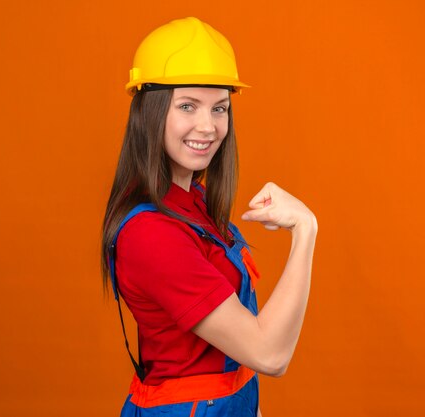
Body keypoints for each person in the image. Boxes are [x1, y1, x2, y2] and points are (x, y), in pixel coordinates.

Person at [101, 17, 318, 417]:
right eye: (187, 106)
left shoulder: (191, 203)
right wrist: (305, 229)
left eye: (220, 108)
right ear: (149, 113)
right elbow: (269, 354)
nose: (209, 126)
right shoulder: (151, 233)